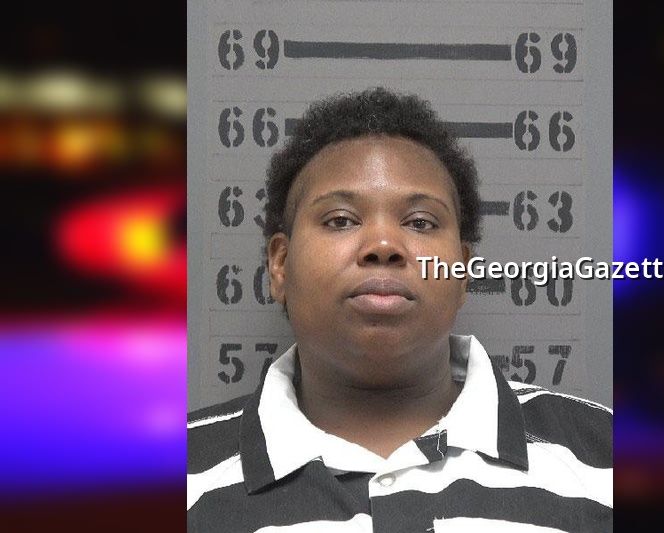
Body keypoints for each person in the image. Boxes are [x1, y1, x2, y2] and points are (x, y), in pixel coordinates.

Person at [188, 87, 612, 532]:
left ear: (462, 271)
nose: (383, 245)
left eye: (420, 222)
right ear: (280, 265)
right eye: (340, 220)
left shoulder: (603, 457)